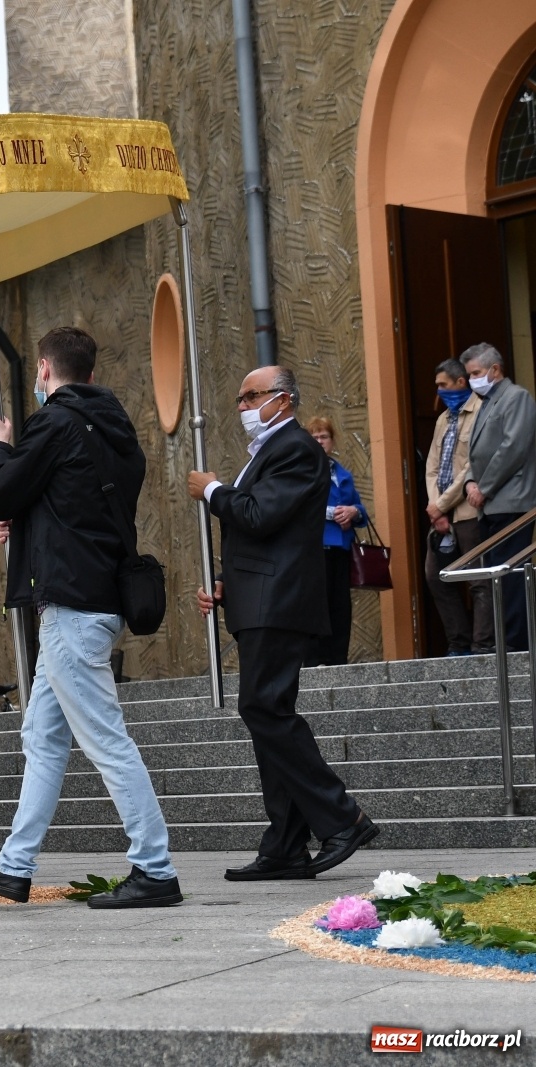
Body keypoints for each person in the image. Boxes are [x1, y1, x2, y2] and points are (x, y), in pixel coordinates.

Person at [0, 327, 180, 909]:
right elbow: (75, 507)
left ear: (45, 370)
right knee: (43, 737)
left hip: (71, 609)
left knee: (106, 740)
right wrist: (27, 525)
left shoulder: (54, 422)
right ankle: (14, 866)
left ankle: (155, 869)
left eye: (37, 373)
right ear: (91, 372)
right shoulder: (114, 426)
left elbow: (2, 491)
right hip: (96, 597)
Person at [188, 365, 376, 880]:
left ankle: (343, 816)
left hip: (281, 603)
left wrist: (211, 491)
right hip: (263, 599)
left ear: (284, 399)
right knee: (267, 714)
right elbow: (265, 536)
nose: (244, 406)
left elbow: (257, 514)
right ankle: (286, 843)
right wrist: (229, 582)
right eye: (240, 398)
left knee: (264, 709)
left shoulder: (296, 449)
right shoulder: (269, 453)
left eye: (253, 396)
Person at [463, 343, 536, 652]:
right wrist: (469, 482)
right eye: (469, 375)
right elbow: (475, 453)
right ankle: (505, 641)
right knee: (498, 579)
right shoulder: (486, 403)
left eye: (476, 373)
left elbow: (513, 448)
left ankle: (517, 644)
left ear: (495, 370)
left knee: (511, 577)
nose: (472, 380)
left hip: (512, 501)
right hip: (491, 506)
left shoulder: (516, 397)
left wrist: (485, 487)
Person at [423, 359, 493, 655]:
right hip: (440, 515)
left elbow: (472, 466)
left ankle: (482, 646)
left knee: (479, 580)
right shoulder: (443, 419)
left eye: (443, 385)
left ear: (460, 382)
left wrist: (442, 504)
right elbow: (432, 466)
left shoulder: (480, 412)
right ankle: (458, 643)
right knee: (435, 576)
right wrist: (435, 507)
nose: (439, 391)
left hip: (467, 513)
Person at [304, 418, 369, 667]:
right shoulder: (303, 470)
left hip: (341, 548)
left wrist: (353, 512)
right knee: (315, 605)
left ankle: (337, 658)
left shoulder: (342, 473)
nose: (320, 442)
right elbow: (301, 505)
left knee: (340, 607)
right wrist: (335, 514)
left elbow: (361, 510)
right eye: (315, 437)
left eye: (324, 437)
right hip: (314, 549)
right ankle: (315, 658)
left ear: (332, 441)